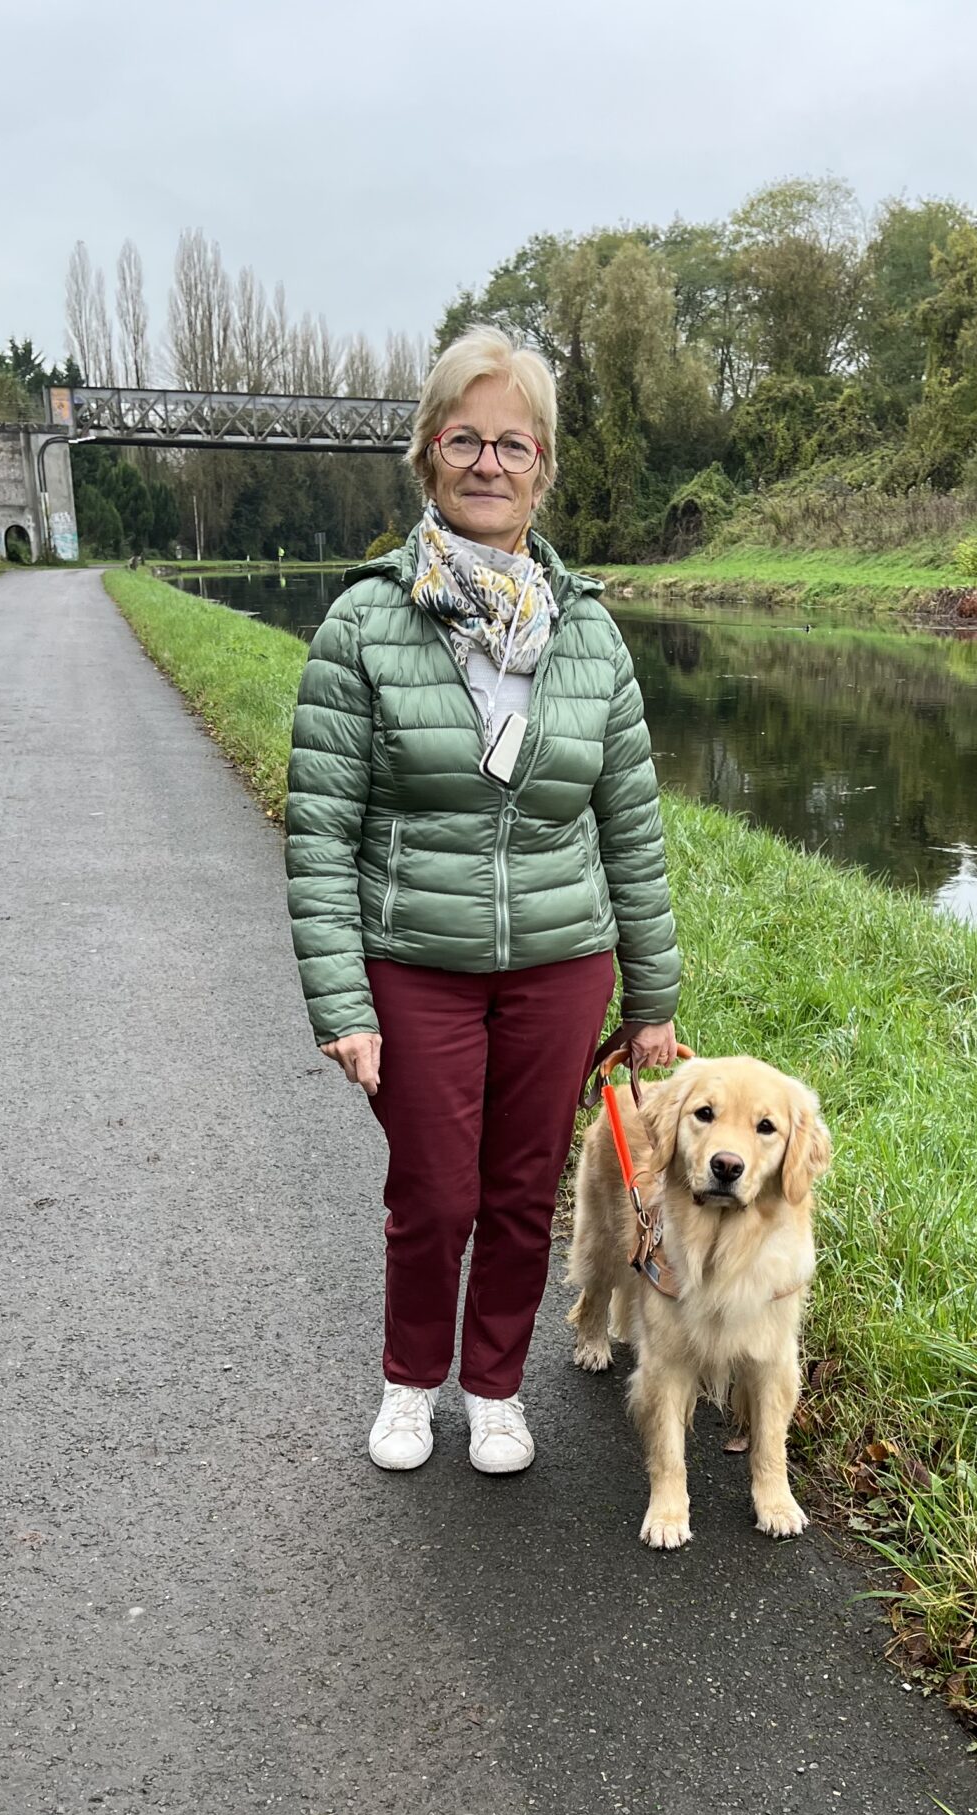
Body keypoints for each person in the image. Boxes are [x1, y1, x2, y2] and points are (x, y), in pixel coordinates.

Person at [284, 326, 681, 1476]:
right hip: (416, 959)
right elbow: (319, 832)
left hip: (563, 961)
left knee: (520, 1192)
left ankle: (495, 1387)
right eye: (466, 439)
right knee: (435, 1192)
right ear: (428, 458)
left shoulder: (592, 637)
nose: (490, 463)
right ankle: (412, 1382)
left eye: (514, 443)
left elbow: (633, 832)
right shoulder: (362, 625)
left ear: (544, 467)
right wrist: (342, 1002)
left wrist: (650, 998)